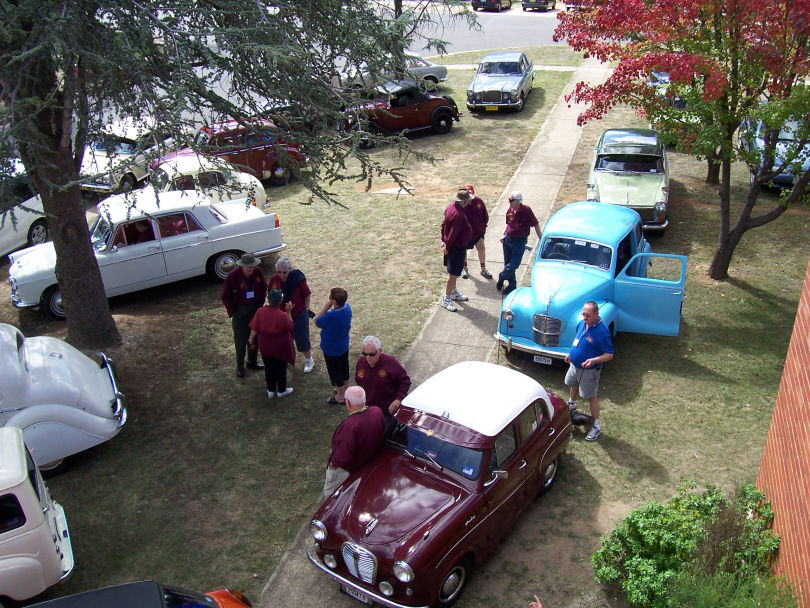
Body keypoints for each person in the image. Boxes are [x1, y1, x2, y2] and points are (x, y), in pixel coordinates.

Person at [564, 301, 614, 441]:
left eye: (588, 315)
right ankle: (571, 405)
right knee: (572, 384)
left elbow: (609, 355)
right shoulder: (582, 323)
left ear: (596, 314)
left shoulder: (602, 331)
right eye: (583, 314)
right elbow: (577, 340)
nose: (585, 317)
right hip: (574, 365)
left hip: (589, 370)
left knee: (591, 397)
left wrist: (593, 360)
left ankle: (596, 426)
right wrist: (571, 354)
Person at [323, 386, 385, 497]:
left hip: (348, 468)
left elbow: (342, 456)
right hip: (366, 461)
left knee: (332, 497)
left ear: (348, 403)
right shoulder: (377, 411)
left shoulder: (350, 426)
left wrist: (333, 466)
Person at [221, 253, 267, 378]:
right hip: (240, 313)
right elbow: (225, 296)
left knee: (254, 339)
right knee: (241, 341)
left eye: (252, 268)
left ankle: (252, 362)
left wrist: (260, 305)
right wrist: (232, 311)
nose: (250, 271)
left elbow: (264, 287)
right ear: (242, 267)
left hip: (254, 310)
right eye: (248, 269)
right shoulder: (232, 277)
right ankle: (240, 367)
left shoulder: (257, 272)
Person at [268, 257, 315, 373]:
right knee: (285, 339)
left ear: (290, 270)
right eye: (279, 272)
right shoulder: (274, 280)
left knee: (302, 338)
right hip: (281, 315)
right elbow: (270, 295)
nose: (282, 275)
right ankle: (288, 359)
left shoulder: (297, 278)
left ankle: (309, 360)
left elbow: (307, 295)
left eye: (285, 272)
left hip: (298, 314)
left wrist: (305, 309)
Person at [248, 289, 295, 398]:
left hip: (265, 345)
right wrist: (288, 311)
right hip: (280, 347)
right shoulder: (282, 315)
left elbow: (255, 327)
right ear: (280, 302)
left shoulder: (260, 311)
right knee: (281, 368)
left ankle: (270, 389)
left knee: (269, 367)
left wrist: (251, 339)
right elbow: (290, 326)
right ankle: (281, 390)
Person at [355, 335, 411, 423]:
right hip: (367, 408)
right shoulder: (361, 363)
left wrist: (398, 399)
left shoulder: (391, 363)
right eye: (365, 354)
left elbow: (405, 381)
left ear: (380, 351)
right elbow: (359, 381)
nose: (368, 357)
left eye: (372, 354)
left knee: (383, 434)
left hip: (386, 410)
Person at [497, 191, 541, 295]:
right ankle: (512, 285)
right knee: (507, 263)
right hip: (508, 239)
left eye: (511, 200)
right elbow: (508, 223)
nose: (509, 202)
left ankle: (501, 276)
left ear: (518, 201)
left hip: (519, 242)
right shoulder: (511, 209)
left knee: (513, 265)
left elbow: (536, 224)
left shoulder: (527, 210)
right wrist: (503, 234)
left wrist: (541, 239)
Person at [314, 287, 352, 405]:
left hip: (331, 349)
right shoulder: (348, 308)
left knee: (336, 372)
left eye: (330, 298)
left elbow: (317, 321)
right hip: (343, 345)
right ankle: (346, 390)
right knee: (344, 368)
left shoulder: (331, 316)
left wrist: (325, 308)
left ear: (334, 301)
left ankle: (340, 397)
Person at [440, 188, 474, 312]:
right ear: (464, 201)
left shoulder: (450, 208)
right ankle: (447, 299)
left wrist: (443, 241)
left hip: (452, 246)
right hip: (456, 248)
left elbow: (444, 225)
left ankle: (453, 293)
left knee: (453, 273)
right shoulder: (459, 215)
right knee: (453, 275)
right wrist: (447, 247)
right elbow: (453, 234)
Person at [460, 183, 492, 280]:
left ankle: (483, 269)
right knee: (464, 251)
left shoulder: (478, 201)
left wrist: (483, 228)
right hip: (465, 234)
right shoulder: (461, 204)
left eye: (471, 194)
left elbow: (485, 216)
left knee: (481, 248)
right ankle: (464, 268)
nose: (469, 197)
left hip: (478, 233)